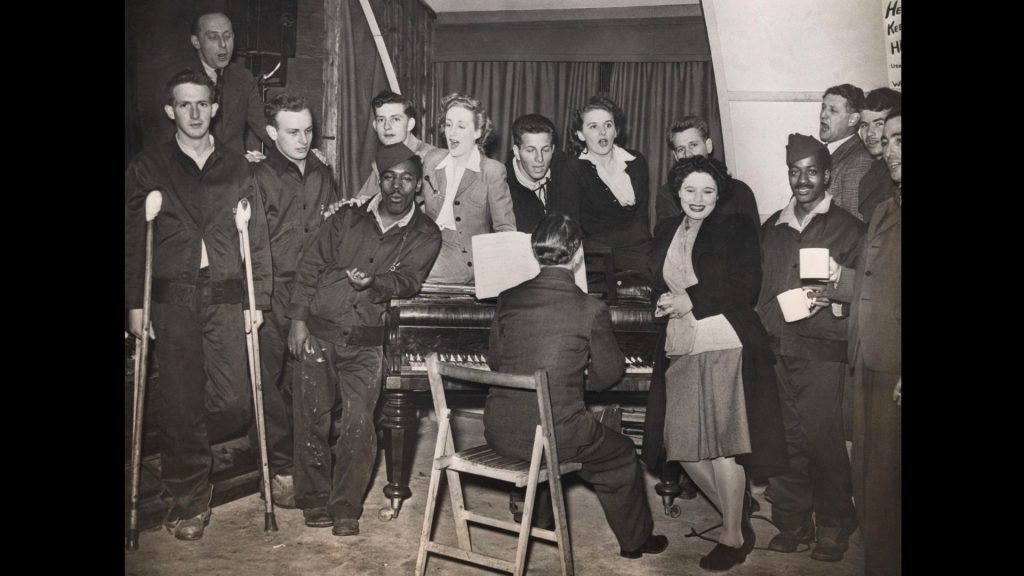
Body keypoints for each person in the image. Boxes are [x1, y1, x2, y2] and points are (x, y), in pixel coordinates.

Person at [125, 68, 272, 541]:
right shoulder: (148, 166)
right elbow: (132, 239)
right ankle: (188, 498)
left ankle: (185, 449)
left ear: (214, 108)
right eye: (184, 104)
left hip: (227, 288)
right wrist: (134, 302)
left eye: (202, 103)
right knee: (180, 396)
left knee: (234, 397)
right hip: (172, 293)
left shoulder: (237, 166)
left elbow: (259, 237)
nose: (194, 112)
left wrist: (258, 297)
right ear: (171, 110)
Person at [485, 212, 669, 559]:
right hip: (555, 437)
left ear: (534, 252)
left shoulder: (507, 298)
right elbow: (607, 375)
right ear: (577, 254)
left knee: (558, 433)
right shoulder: (589, 306)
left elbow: (497, 364)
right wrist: (575, 372)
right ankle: (636, 541)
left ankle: (542, 519)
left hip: (500, 431)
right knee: (620, 452)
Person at [286, 143, 441, 536]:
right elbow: (309, 266)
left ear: (418, 185)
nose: (397, 186)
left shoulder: (426, 233)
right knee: (312, 420)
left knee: (359, 422)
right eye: (389, 176)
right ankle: (313, 498)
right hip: (318, 333)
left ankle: (345, 508)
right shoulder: (346, 219)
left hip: (368, 343)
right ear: (378, 177)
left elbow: (409, 281)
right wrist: (297, 321)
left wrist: (376, 283)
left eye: (407, 178)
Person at [643, 156, 787, 571]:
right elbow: (662, 276)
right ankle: (736, 509)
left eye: (707, 190)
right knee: (682, 443)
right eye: (690, 190)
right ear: (678, 192)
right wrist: (665, 299)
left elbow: (746, 285)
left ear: (719, 194)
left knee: (724, 446)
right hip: (681, 342)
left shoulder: (735, 226)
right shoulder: (666, 229)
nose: (698, 198)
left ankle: (732, 534)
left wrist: (692, 299)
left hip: (724, 340)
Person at [756, 134, 865, 561]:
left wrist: (835, 300)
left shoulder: (849, 228)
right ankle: (792, 521)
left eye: (812, 171)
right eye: (795, 171)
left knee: (823, 439)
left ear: (828, 176)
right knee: (785, 438)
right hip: (776, 347)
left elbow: (869, 293)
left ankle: (835, 522)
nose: (803, 180)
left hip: (822, 349)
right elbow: (759, 289)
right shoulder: (772, 229)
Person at [251, 93, 341, 508]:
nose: (303, 139)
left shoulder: (324, 172)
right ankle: (280, 467)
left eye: (308, 130)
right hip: (271, 292)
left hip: (313, 293)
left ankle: (309, 466)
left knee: (310, 383)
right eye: (292, 132)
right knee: (269, 384)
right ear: (272, 134)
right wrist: (260, 300)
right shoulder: (256, 176)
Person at [828, 109, 901, 576]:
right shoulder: (887, 206)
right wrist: (837, 282)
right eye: (889, 141)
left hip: (895, 365)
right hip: (868, 358)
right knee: (872, 482)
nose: (890, 150)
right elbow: (879, 279)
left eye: (900, 139)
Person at [421, 92, 516, 284]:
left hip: (464, 252)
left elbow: (506, 229)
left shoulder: (492, 171)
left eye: (461, 126)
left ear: (478, 132)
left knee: (411, 273)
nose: (452, 132)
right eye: (448, 124)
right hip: (426, 240)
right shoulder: (432, 161)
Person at [570, 96, 652, 278]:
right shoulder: (573, 169)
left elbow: (642, 220)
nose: (602, 132)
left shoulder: (636, 161)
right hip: (597, 259)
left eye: (608, 125)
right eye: (593, 126)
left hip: (641, 253)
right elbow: (574, 227)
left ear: (616, 130)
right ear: (580, 134)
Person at [188, 11, 272, 157]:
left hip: (235, 172)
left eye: (227, 36)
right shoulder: (180, 80)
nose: (223, 44)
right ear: (196, 42)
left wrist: (299, 153)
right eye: (213, 37)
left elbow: (264, 126)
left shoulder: (244, 77)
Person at [655, 116, 759, 227]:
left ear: (708, 146)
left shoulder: (740, 191)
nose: (688, 154)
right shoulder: (667, 194)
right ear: (675, 156)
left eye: (693, 145)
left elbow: (753, 240)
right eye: (681, 149)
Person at [354, 89, 438, 201]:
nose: (387, 127)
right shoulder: (384, 159)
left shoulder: (432, 159)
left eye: (395, 119)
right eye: (381, 120)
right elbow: (364, 200)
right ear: (375, 126)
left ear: (410, 124)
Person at [504, 113, 581, 233]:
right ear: (517, 152)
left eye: (545, 150)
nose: (539, 159)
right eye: (530, 150)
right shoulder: (501, 185)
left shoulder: (569, 172)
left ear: (553, 150)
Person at [818, 84, 873, 221]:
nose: (823, 115)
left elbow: (853, 226)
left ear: (853, 119)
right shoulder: (822, 153)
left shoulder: (860, 160)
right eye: (823, 107)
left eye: (833, 110)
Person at [855, 88, 901, 223]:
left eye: (879, 124)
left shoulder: (896, 174)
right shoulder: (871, 172)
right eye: (864, 125)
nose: (869, 133)